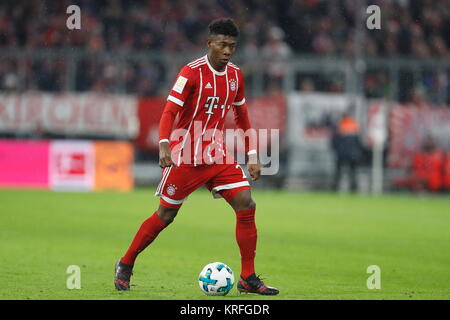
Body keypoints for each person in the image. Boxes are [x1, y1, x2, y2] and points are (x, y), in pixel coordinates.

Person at [114, 18, 279, 295]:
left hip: (216, 154)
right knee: (165, 216)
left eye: (232, 46)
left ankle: (248, 277)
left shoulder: (236, 75)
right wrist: (164, 144)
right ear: (209, 43)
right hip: (186, 154)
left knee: (246, 203)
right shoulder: (191, 72)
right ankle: (126, 263)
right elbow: (169, 111)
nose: (227, 51)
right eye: (223, 45)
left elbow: (242, 117)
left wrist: (252, 154)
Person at [331, 111, 362, 192]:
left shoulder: (340, 125)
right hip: (353, 154)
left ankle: (335, 188)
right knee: (353, 172)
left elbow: (334, 141)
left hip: (341, 153)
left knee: (338, 172)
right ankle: (354, 188)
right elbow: (359, 142)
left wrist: (336, 150)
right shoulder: (354, 125)